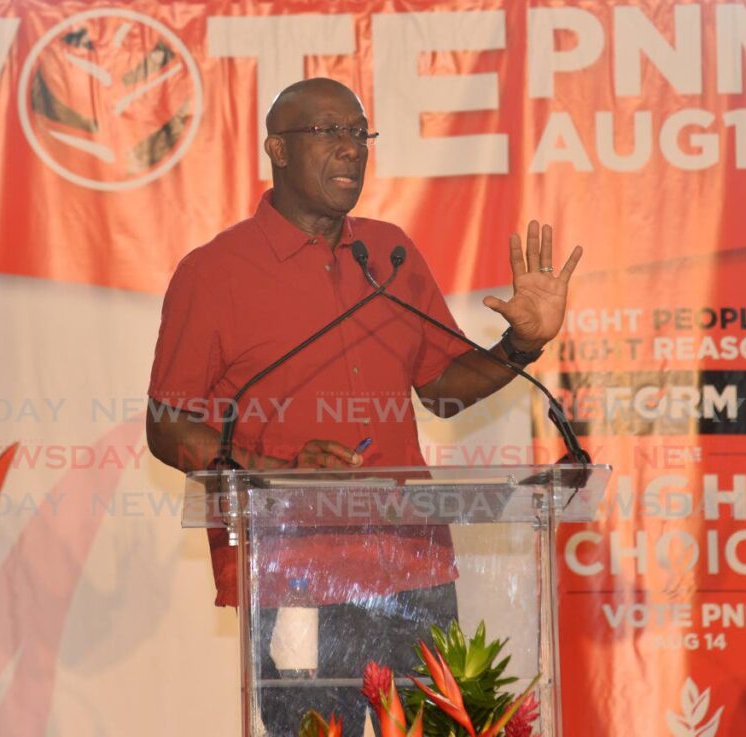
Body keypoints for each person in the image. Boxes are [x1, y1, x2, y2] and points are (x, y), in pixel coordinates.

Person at [146, 78, 582, 735]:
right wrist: (279, 470)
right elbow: (166, 424)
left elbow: (441, 387)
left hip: (414, 566)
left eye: (359, 134)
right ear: (277, 149)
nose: (352, 149)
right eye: (330, 132)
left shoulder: (388, 254)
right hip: (295, 577)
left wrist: (520, 343)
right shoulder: (215, 272)